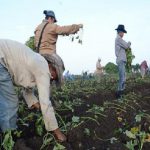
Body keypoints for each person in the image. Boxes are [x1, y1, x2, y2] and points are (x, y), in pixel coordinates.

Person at [0, 39, 66, 142]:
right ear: (50, 66)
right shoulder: (43, 67)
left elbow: (27, 90)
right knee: (10, 102)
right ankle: (8, 138)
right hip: (1, 58)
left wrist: (37, 106)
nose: (52, 78)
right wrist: (58, 133)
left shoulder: (36, 62)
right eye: (54, 75)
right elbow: (45, 103)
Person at [34, 10, 83, 85]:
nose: (54, 22)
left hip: (38, 54)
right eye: (54, 20)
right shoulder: (52, 26)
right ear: (51, 18)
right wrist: (77, 27)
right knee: (61, 66)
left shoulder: (37, 27)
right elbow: (64, 29)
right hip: (48, 53)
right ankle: (60, 87)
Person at [115, 25, 131, 98]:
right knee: (122, 77)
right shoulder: (118, 39)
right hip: (121, 60)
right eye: (123, 32)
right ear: (120, 32)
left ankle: (122, 92)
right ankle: (119, 94)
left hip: (122, 60)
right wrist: (129, 43)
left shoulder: (119, 39)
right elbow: (126, 46)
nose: (123, 34)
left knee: (123, 77)